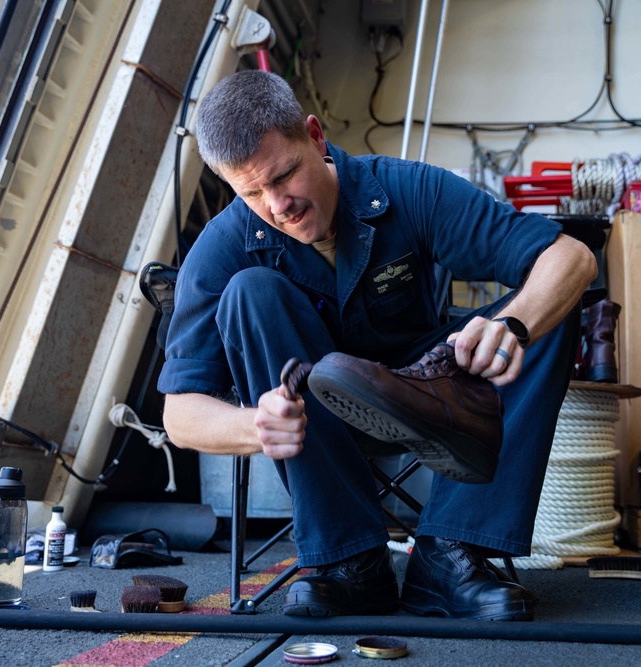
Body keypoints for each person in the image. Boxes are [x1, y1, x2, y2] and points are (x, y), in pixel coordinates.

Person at [158, 70, 597, 621]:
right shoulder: (221, 249)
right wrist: (254, 426)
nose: (279, 205)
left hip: (423, 394)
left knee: (549, 308)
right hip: (316, 420)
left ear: (315, 138)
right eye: (252, 192)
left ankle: (450, 557)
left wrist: (511, 326)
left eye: (286, 174)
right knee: (251, 292)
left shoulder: (404, 189)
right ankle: (352, 565)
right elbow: (179, 414)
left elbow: (573, 257)